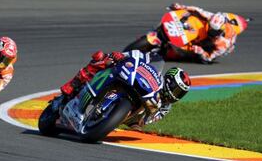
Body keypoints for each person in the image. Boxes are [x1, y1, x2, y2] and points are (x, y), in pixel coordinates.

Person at [55, 50, 191, 130]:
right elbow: (139, 56)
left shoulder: (166, 107)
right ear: (169, 82)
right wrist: (122, 56)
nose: (176, 95)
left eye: (180, 93)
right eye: (176, 90)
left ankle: (99, 120)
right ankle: (73, 85)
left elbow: (146, 121)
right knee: (103, 58)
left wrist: (141, 120)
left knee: (137, 122)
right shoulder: (157, 77)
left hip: (132, 114)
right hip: (131, 80)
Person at [126, 3, 242, 63]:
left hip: (198, 48)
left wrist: (201, 52)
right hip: (192, 32)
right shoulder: (211, 17)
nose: (210, 29)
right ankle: (155, 35)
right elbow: (196, 10)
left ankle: (163, 51)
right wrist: (180, 7)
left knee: (173, 54)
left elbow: (209, 58)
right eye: (210, 26)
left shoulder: (223, 44)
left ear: (219, 31)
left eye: (213, 29)